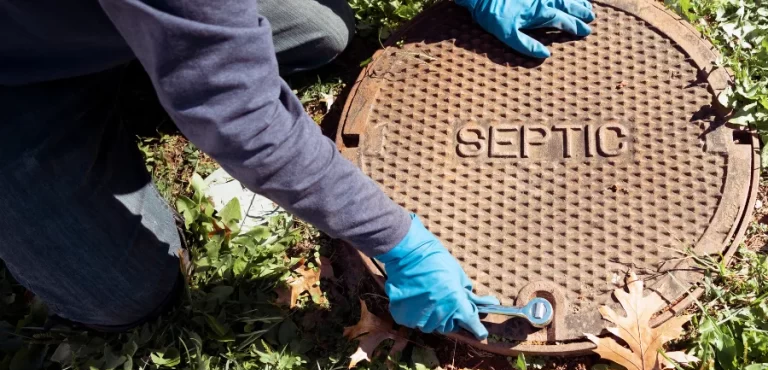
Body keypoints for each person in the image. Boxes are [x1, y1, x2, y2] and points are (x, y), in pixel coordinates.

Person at [0, 0, 594, 339]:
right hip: (19, 69)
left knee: (322, 33)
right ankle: (169, 67)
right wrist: (399, 242)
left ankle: (170, 56)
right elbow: (244, 118)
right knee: (117, 294)